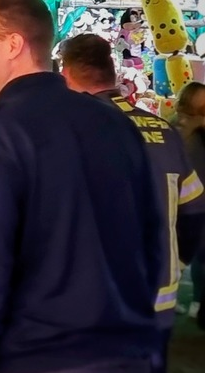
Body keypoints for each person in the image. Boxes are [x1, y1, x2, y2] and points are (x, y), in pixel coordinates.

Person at [0, 0, 161, 373]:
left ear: (13, 45)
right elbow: (152, 244)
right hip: (129, 352)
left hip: (37, 356)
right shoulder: (115, 123)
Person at [60, 33, 205, 371]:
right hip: (159, 298)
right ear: (111, 70)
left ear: (66, 74)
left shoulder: (74, 128)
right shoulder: (163, 130)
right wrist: (177, 261)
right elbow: (195, 210)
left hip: (98, 300)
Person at [174, 81, 205, 325]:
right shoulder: (194, 130)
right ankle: (198, 302)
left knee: (178, 252)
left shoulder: (172, 125)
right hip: (197, 198)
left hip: (175, 198)